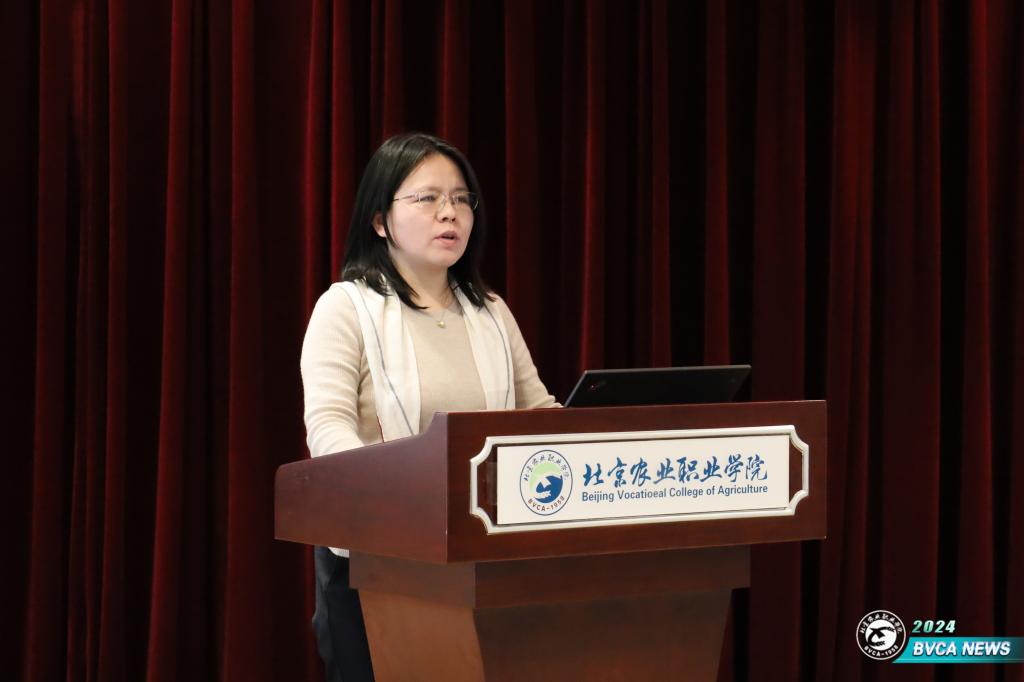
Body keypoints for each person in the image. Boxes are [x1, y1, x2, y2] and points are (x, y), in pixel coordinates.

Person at [300, 132, 558, 681]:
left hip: (480, 560)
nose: (450, 213)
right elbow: (328, 429)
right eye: (428, 198)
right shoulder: (346, 308)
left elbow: (538, 414)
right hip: (377, 563)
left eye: (462, 199)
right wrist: (401, 496)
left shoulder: (490, 312)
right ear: (379, 221)